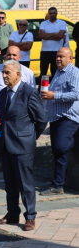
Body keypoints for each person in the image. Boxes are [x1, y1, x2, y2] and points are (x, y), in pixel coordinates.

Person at [0, 60, 47, 231]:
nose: (4, 75)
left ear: (18, 74)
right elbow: (2, 116)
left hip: (23, 145)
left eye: (7, 72)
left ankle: (30, 216)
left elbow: (41, 120)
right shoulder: (2, 93)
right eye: (3, 72)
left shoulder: (29, 92)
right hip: (5, 144)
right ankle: (12, 213)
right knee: (10, 183)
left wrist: (30, 137)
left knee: (25, 183)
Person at [0, 46, 36, 190]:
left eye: (14, 55)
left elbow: (31, 95)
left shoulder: (28, 73)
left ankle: (14, 179)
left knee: (14, 148)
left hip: (18, 117)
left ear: (20, 57)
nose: (11, 57)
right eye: (8, 54)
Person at [40, 47, 79, 195]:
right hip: (55, 117)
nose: (58, 59)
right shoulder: (57, 72)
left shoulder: (74, 72)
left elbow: (76, 94)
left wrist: (54, 95)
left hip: (68, 116)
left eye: (62, 56)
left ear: (70, 58)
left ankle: (72, 141)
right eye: (57, 56)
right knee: (58, 152)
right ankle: (57, 185)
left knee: (61, 146)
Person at [39, 7, 67, 80]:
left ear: (56, 14)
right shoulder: (43, 23)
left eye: (53, 13)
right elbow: (41, 35)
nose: (52, 15)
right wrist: (54, 34)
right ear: (48, 14)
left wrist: (47, 36)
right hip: (45, 51)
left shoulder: (62, 23)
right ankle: (41, 90)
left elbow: (60, 36)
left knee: (55, 72)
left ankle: (55, 90)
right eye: (50, 13)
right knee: (43, 72)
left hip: (57, 52)